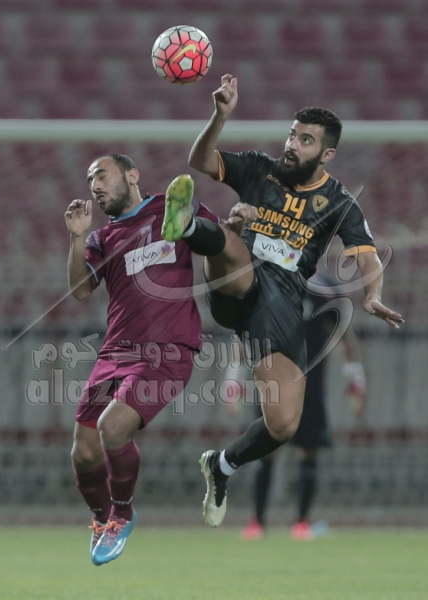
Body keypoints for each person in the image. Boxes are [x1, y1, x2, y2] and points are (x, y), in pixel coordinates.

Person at [160, 74, 404, 528]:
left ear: (327, 154)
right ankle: (188, 224)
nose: (292, 144)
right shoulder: (259, 168)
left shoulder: (339, 201)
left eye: (305, 140)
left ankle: (221, 465)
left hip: (282, 305)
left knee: (283, 425)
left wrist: (373, 295)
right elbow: (200, 160)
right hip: (238, 284)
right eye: (292, 134)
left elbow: (366, 254)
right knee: (235, 239)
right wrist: (220, 116)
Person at [65, 155, 225, 565]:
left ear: (132, 175)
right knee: (83, 453)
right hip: (116, 352)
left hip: (166, 351)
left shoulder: (171, 207)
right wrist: (77, 238)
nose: (95, 185)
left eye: (102, 175)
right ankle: (102, 518)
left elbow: (218, 240)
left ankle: (122, 514)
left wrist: (229, 228)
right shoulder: (102, 237)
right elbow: (81, 290)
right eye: (90, 179)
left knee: (113, 427)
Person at [240, 271, 366, 541]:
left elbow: (344, 334)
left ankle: (301, 522)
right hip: (272, 383)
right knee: (266, 449)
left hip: (310, 384)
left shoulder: (325, 289)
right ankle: (257, 522)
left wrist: (355, 376)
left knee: (309, 450)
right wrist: (234, 377)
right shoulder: (267, 284)